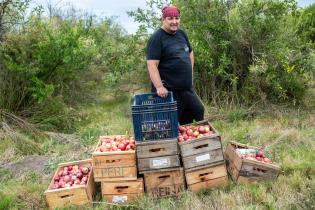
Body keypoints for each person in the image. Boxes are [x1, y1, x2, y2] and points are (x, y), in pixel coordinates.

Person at [146, 5, 205, 125]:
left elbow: (190, 52)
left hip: (186, 88)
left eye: (177, 18)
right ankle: (174, 142)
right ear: (163, 19)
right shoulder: (156, 38)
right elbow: (152, 65)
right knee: (170, 123)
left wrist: (190, 74)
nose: (174, 22)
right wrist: (159, 87)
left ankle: (187, 142)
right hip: (169, 91)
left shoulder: (181, 33)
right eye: (170, 18)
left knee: (198, 111)